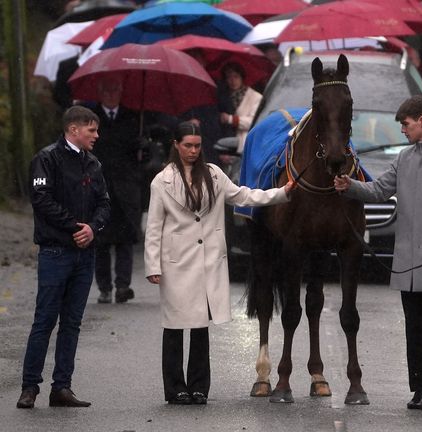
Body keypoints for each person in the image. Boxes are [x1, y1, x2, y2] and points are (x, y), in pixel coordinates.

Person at [333, 96, 422, 413]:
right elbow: (379, 190)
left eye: (406, 124)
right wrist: (350, 186)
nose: (403, 130)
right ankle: (419, 391)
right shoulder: (405, 157)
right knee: (414, 331)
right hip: (409, 265)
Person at [144, 121, 294, 405]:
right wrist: (153, 265)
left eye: (197, 146)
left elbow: (244, 195)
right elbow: (154, 226)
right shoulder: (161, 181)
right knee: (175, 327)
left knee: (201, 325)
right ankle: (175, 387)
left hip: (206, 262)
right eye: (187, 145)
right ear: (176, 145)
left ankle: (199, 387)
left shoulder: (214, 174)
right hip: (176, 263)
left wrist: (282, 193)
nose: (192, 151)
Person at [17, 106, 110, 409]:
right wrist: (74, 227)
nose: (96, 135)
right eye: (91, 130)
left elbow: (105, 204)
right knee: (44, 321)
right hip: (56, 252)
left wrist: (93, 229)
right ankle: (30, 386)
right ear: (73, 130)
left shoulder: (93, 164)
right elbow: (41, 200)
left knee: (72, 323)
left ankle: (62, 387)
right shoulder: (47, 159)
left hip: (84, 257)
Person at [90, 79, 143, 304]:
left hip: (126, 188)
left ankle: (123, 285)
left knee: (125, 238)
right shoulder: (90, 118)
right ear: (100, 92)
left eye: (115, 90)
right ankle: (104, 288)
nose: (111, 94)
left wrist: (142, 149)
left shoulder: (133, 118)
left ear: (121, 92)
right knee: (100, 240)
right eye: (107, 90)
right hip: (98, 186)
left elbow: (139, 154)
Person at [218, 62, 261, 154]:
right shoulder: (223, 97)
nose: (232, 80)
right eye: (229, 77)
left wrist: (231, 119)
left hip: (245, 142)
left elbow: (254, 121)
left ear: (242, 78)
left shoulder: (255, 97)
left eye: (236, 76)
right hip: (225, 144)